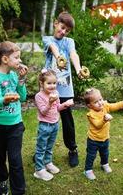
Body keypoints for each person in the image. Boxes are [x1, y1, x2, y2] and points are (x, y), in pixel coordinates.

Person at [42, 11, 89, 167]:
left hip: (65, 88)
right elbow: (54, 48)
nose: (63, 32)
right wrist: (58, 58)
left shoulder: (69, 41)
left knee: (67, 121)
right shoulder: (47, 39)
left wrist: (77, 69)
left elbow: (73, 54)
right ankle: (42, 151)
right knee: (47, 121)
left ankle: (72, 149)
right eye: (62, 27)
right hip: (49, 89)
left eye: (67, 30)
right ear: (56, 23)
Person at [0, 41, 28, 195]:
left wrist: (22, 80)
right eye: (16, 57)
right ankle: (3, 179)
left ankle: (18, 190)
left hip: (15, 125)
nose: (20, 61)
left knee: (15, 159)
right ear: (5, 59)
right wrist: (7, 99)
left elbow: (23, 97)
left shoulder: (14, 75)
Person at [83, 88, 123, 180]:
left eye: (100, 99)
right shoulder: (91, 114)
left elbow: (115, 106)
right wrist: (104, 119)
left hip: (105, 138)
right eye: (96, 102)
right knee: (91, 155)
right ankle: (88, 170)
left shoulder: (105, 106)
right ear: (89, 105)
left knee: (105, 153)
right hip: (93, 140)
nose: (100, 103)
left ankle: (104, 164)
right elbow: (97, 125)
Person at [34, 69, 74, 181]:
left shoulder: (56, 93)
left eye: (54, 83)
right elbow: (43, 112)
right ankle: (39, 169)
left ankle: (47, 163)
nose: (52, 86)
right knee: (41, 148)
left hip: (55, 124)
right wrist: (50, 102)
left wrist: (65, 104)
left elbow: (57, 108)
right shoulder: (39, 96)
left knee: (49, 146)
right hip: (45, 126)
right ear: (42, 83)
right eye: (49, 83)